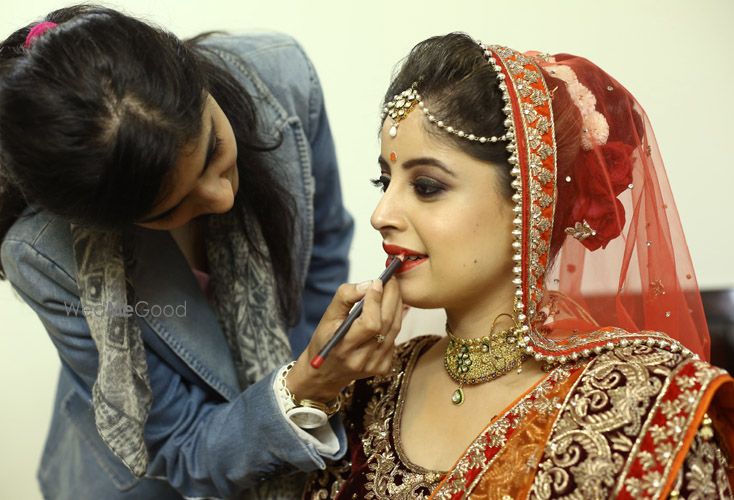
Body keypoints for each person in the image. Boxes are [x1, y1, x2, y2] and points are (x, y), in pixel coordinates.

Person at [0, 5, 405, 499]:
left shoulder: (282, 80)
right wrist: (304, 389)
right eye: (172, 208)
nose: (221, 198)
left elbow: (321, 253)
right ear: (107, 222)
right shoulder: (44, 255)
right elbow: (180, 444)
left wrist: (319, 366)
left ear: (194, 77)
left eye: (213, 152)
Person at [303, 33, 734, 499]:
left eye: (426, 186)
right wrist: (310, 386)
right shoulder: (370, 386)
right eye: (383, 182)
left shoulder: (640, 398)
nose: (380, 215)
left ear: (532, 202)